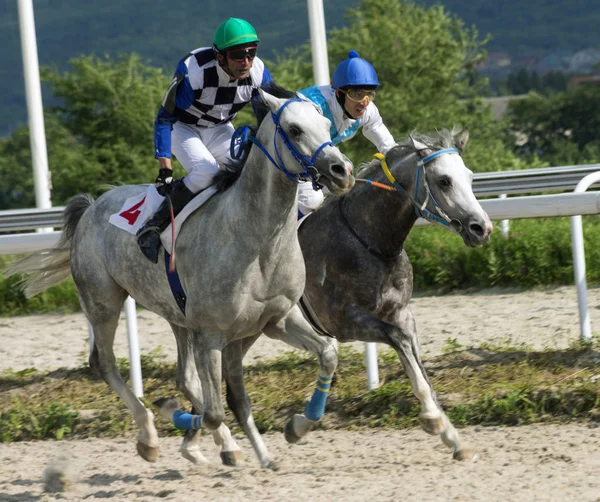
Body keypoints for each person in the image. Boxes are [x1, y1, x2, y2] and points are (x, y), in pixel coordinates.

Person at [137, 17, 273, 263]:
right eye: (238, 55)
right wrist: (165, 168)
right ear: (220, 56)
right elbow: (164, 119)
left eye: (251, 53)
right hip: (183, 127)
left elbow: (268, 117)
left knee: (252, 168)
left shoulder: (258, 73)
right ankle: (155, 225)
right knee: (207, 172)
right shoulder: (193, 71)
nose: (246, 62)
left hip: (219, 128)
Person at [296, 50, 395, 217]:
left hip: (313, 159)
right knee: (310, 200)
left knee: (349, 188)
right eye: (357, 94)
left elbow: (389, 147)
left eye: (369, 94)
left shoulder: (368, 110)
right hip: (289, 155)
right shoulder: (314, 107)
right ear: (339, 93)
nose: (364, 102)